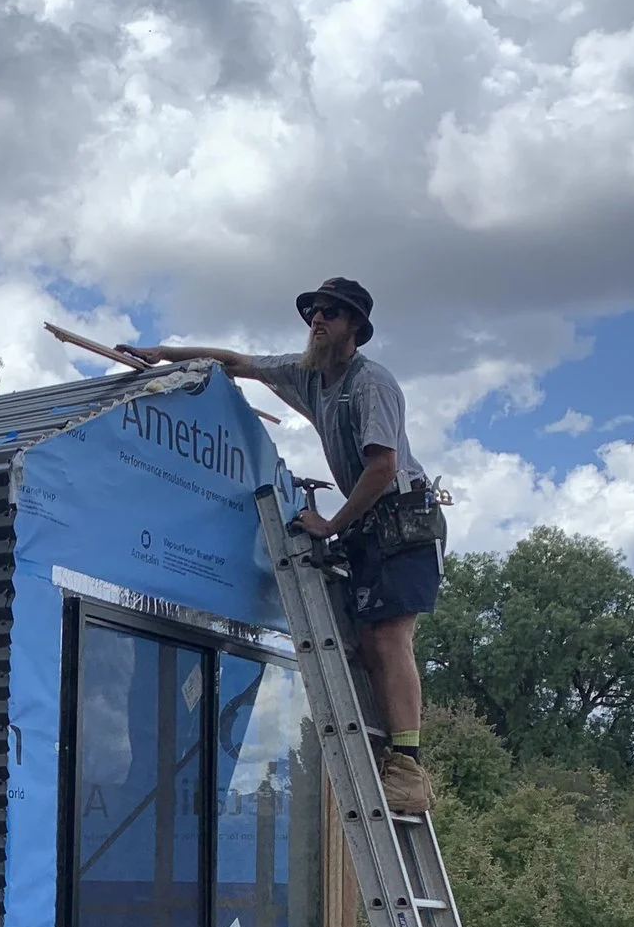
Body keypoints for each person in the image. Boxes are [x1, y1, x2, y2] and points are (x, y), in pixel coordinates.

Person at [132, 276, 445, 814]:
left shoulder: (372, 385)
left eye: (330, 313)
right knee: (369, 645)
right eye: (313, 312)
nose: (317, 320)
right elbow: (239, 362)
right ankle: (394, 758)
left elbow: (383, 466)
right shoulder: (309, 375)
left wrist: (331, 524)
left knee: (391, 640)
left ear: (354, 328)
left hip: (402, 520)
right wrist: (167, 355)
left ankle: (410, 770)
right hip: (371, 524)